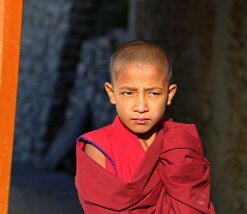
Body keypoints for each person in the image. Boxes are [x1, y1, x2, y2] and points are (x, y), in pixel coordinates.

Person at [75, 40, 215, 213]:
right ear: (112, 93)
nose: (141, 107)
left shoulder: (181, 144)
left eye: (153, 93)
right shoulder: (99, 148)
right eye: (128, 93)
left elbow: (196, 206)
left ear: (169, 94)